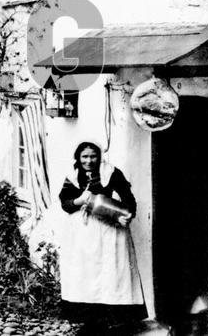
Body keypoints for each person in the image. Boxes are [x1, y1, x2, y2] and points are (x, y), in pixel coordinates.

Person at [59, 141, 147, 331]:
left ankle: (114, 323)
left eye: (93, 156)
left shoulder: (112, 173)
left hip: (110, 231)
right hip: (83, 235)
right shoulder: (72, 176)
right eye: (84, 157)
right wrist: (78, 200)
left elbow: (128, 199)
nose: (89, 161)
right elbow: (65, 204)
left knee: (112, 274)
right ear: (78, 158)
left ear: (99, 157)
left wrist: (127, 215)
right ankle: (91, 323)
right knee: (87, 276)